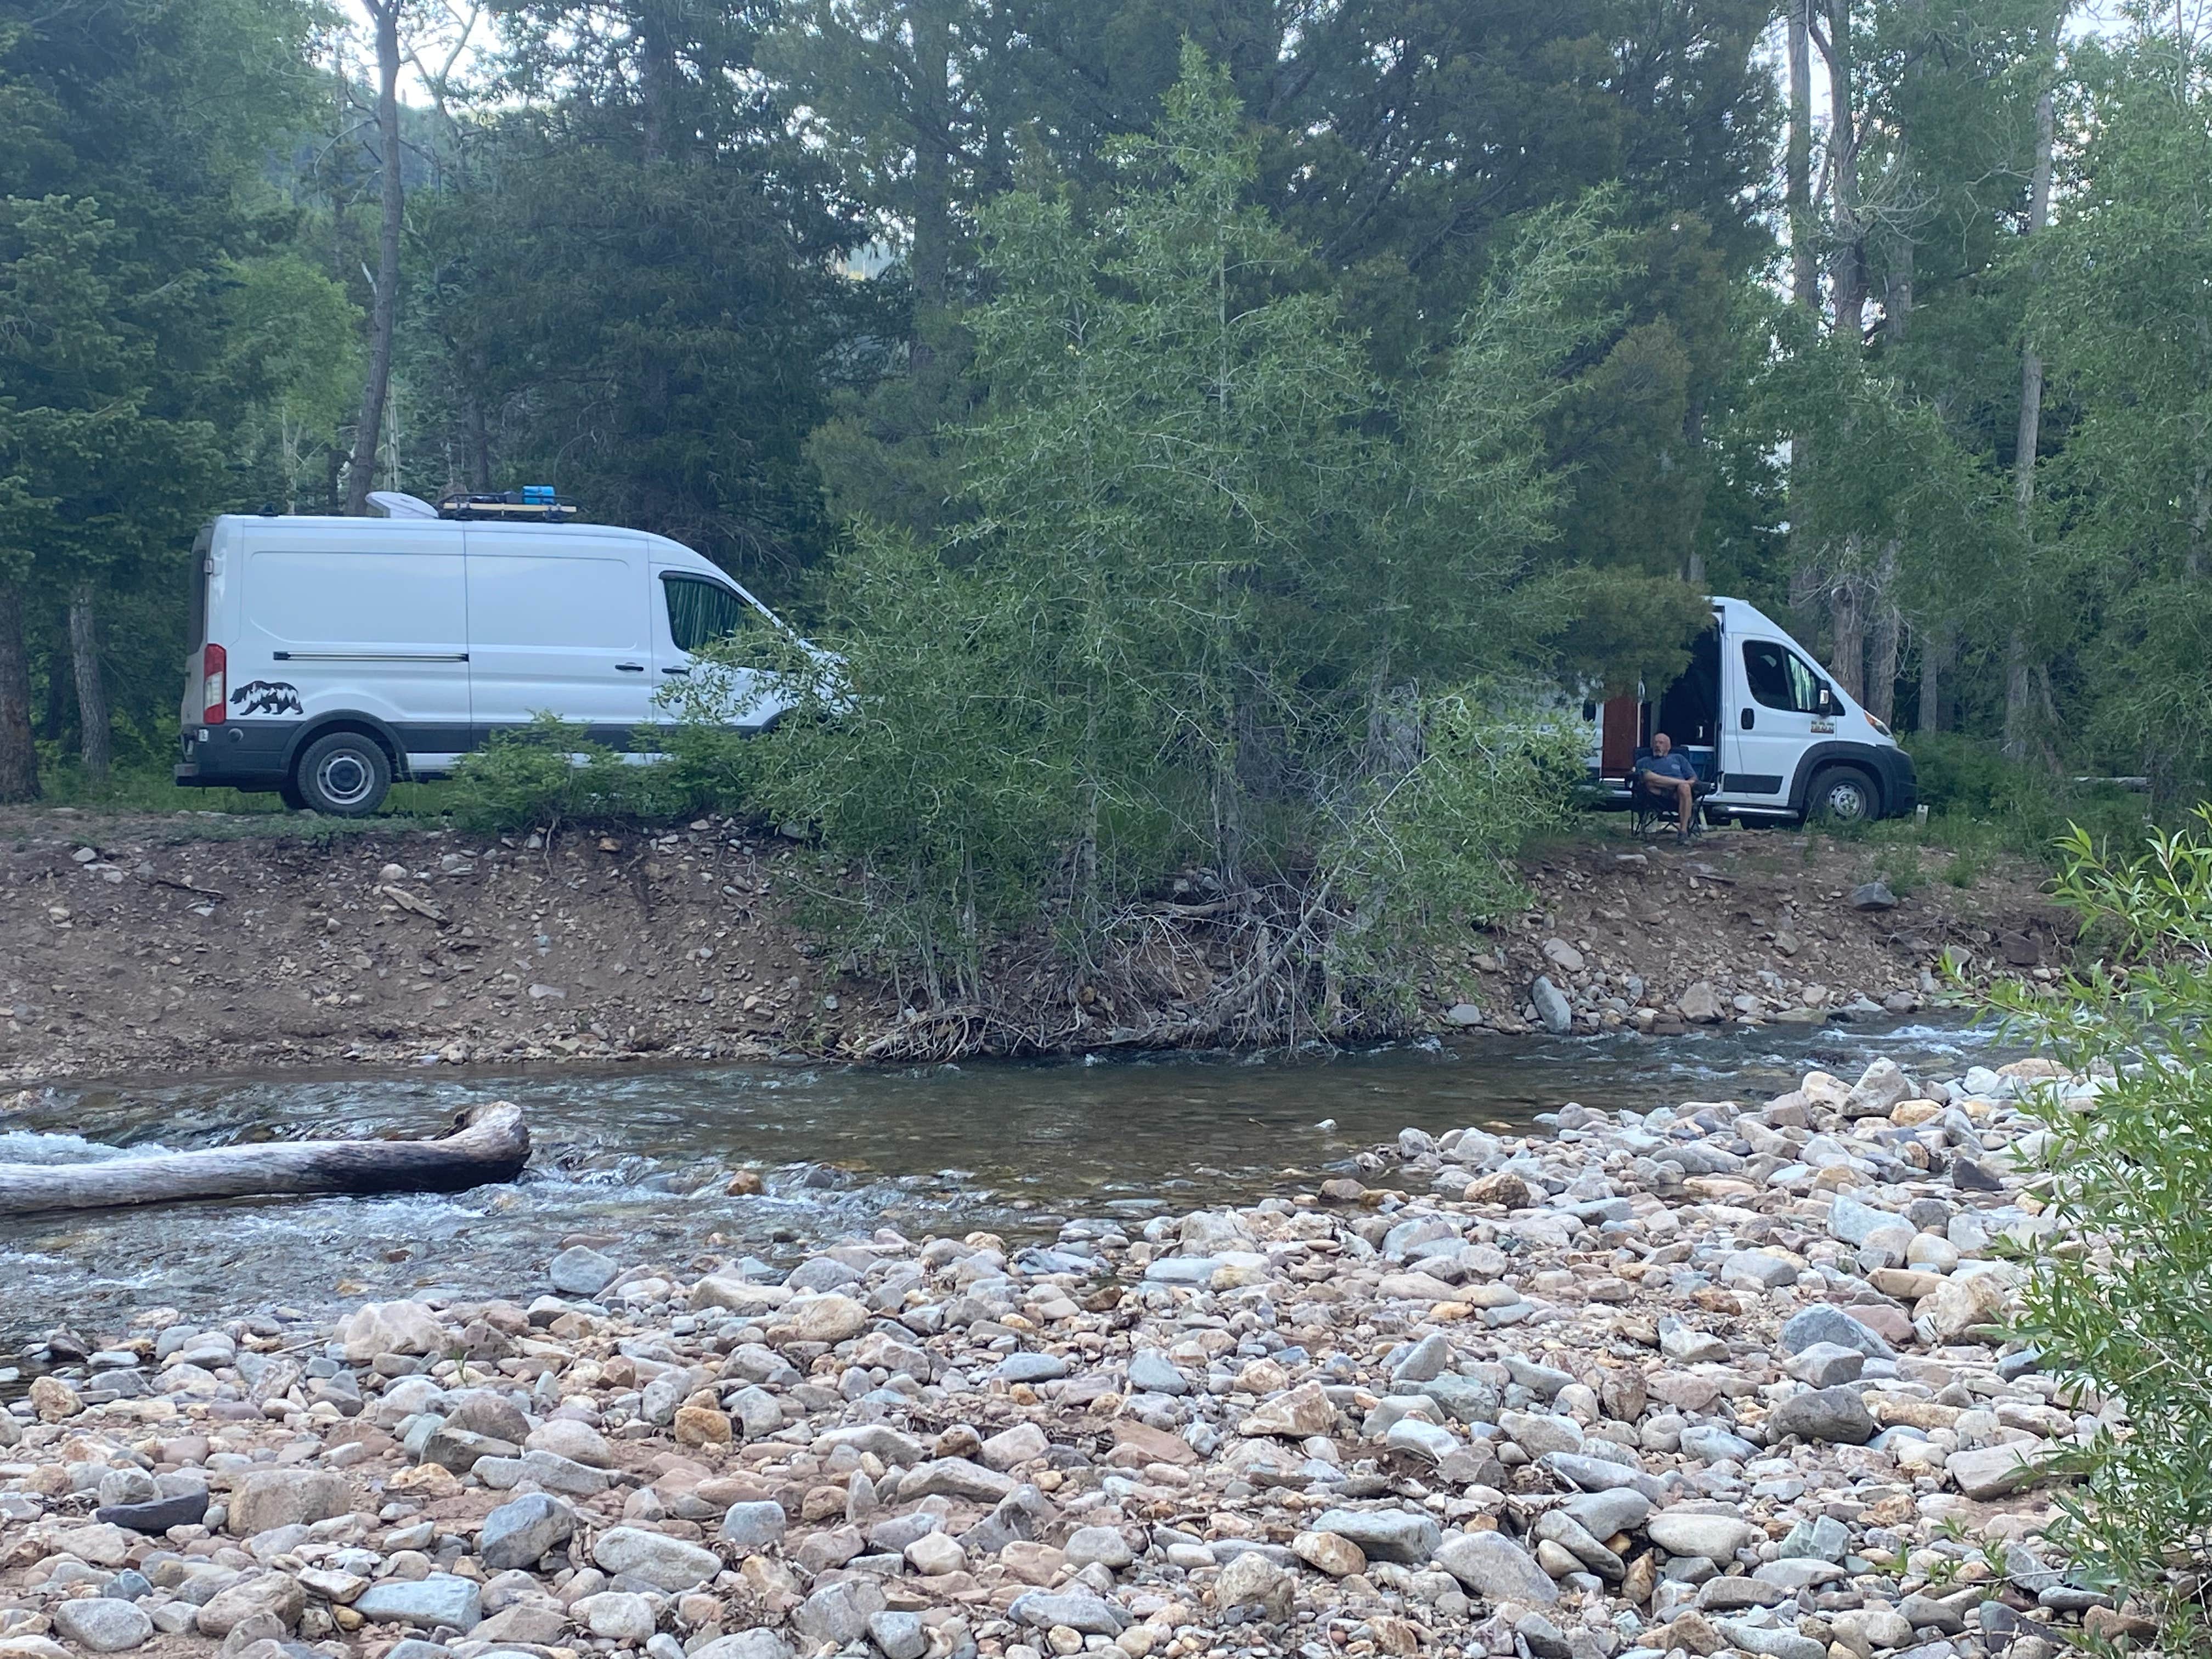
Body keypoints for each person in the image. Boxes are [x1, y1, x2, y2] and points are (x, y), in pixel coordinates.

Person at [1634, 732, 1700, 844]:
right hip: (1655, 796)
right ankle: (1678, 784)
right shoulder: (1644, 761)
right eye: (1655, 743)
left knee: (1685, 787)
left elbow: (1693, 778)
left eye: (1661, 743)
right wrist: (1684, 782)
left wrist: (1688, 783)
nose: (1657, 745)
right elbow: (1643, 778)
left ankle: (1683, 832)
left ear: (1668, 747)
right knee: (1648, 776)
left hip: (1677, 795)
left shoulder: (1678, 758)